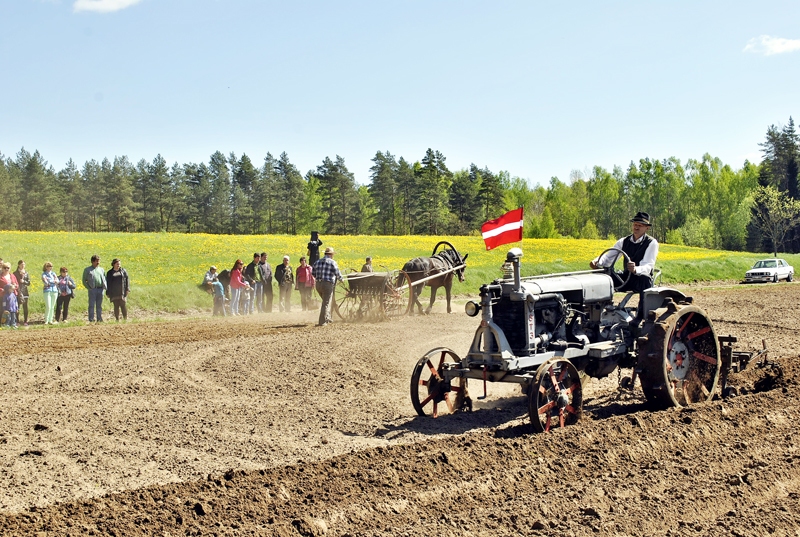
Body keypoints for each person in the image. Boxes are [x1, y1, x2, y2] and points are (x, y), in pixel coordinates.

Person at [590, 211, 659, 293]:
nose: (636, 227)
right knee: (604, 276)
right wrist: (597, 262)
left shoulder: (651, 243)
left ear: (647, 228)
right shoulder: (623, 241)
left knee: (644, 278)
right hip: (626, 278)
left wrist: (635, 269)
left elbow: (648, 266)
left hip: (640, 280)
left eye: (640, 225)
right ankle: (601, 304)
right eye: (635, 225)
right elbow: (609, 257)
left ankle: (643, 305)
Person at [313, 246, 343, 326]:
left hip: (318, 285)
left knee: (326, 301)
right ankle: (322, 322)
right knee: (326, 303)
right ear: (331, 254)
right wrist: (341, 279)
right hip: (327, 284)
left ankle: (328, 317)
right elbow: (337, 273)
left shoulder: (317, 262)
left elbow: (313, 273)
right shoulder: (332, 262)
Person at [82, 254, 107, 322]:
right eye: (96, 261)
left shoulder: (101, 269)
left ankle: (99, 318)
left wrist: (104, 287)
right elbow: (84, 280)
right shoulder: (87, 270)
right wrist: (89, 288)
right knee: (91, 305)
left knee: (99, 305)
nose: (98, 262)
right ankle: (91, 319)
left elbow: (104, 278)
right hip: (92, 289)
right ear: (92, 261)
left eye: (99, 261)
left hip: (100, 289)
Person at [13, 260, 31, 326]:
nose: (23, 265)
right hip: (18, 291)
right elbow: (14, 281)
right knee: (17, 307)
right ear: (18, 265)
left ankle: (25, 321)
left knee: (25, 307)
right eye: (21, 264)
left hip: (25, 291)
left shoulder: (26, 273)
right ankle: (17, 321)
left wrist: (24, 281)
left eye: (24, 264)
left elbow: (29, 282)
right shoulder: (15, 273)